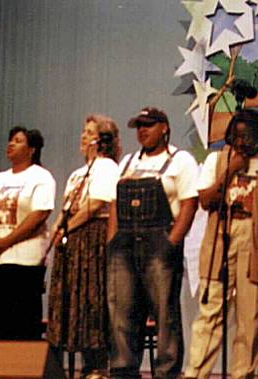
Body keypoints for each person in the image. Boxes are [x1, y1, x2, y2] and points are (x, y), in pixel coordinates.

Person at [185, 109, 258, 379]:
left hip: (257, 241)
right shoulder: (216, 160)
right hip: (221, 238)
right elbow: (206, 200)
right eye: (238, 134)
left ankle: (241, 373)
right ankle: (195, 373)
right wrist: (230, 171)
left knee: (250, 315)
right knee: (211, 312)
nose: (243, 141)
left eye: (248, 135)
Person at [107, 107, 198, 379]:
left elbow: (189, 206)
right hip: (123, 246)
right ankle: (123, 371)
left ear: (164, 128)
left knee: (165, 317)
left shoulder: (181, 161)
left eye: (148, 125)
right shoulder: (126, 163)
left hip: (159, 244)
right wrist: (111, 241)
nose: (142, 131)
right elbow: (114, 205)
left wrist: (171, 243)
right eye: (138, 126)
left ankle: (166, 373)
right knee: (121, 314)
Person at [47, 114, 120, 379]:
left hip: (93, 238)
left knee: (92, 297)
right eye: (83, 130)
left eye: (89, 132)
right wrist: (57, 228)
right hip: (73, 240)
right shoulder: (78, 173)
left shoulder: (107, 167)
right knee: (71, 299)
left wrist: (67, 227)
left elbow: (96, 205)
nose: (83, 136)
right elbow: (68, 208)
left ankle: (98, 364)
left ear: (101, 140)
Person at [0, 126, 56, 340]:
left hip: (24, 260)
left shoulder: (41, 177)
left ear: (32, 149)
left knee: (21, 322)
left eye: (18, 141)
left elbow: (39, 214)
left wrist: (6, 241)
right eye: (10, 140)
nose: (11, 144)